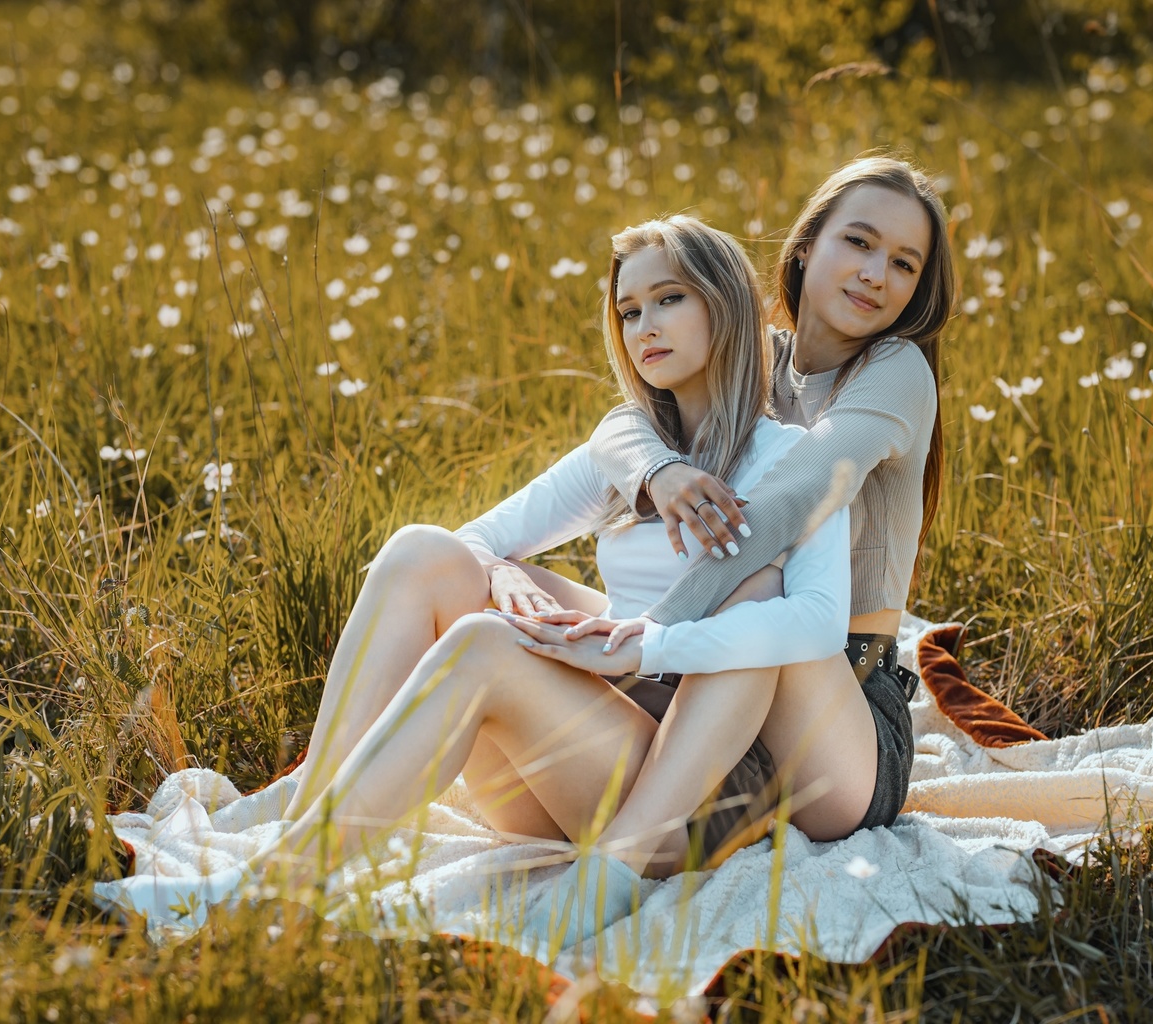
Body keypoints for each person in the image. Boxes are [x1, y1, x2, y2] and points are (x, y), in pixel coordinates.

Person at [130, 216, 855, 944]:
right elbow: (471, 540)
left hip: (689, 791)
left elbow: (820, 623)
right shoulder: (632, 448)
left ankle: (264, 895)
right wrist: (500, 574)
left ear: (723, 305)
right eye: (629, 311)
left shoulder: (787, 459)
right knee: (423, 550)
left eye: (668, 299)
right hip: (576, 769)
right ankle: (311, 795)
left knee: (490, 642)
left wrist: (647, 646)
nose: (644, 327)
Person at [511, 154, 954, 875]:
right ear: (806, 246)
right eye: (860, 243)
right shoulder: (759, 359)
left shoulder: (895, 371)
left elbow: (790, 502)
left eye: (905, 264)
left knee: (765, 591)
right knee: (514, 598)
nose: (877, 273)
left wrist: (650, 636)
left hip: (839, 697)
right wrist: (661, 468)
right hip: (714, 662)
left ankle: (618, 869)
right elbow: (622, 426)